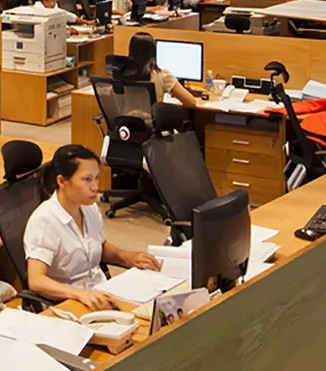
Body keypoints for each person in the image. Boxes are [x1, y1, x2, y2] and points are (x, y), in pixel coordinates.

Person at [23, 144, 160, 310]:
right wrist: (79, 294)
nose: (95, 187)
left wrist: (127, 257)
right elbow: (36, 281)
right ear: (62, 181)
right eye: (87, 179)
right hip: (68, 303)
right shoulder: (44, 221)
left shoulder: (89, 208)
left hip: (100, 294)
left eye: (96, 178)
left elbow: (99, 246)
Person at [125, 32, 199, 110]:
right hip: (151, 117)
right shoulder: (162, 75)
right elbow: (191, 103)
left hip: (126, 117)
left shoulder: (122, 73)